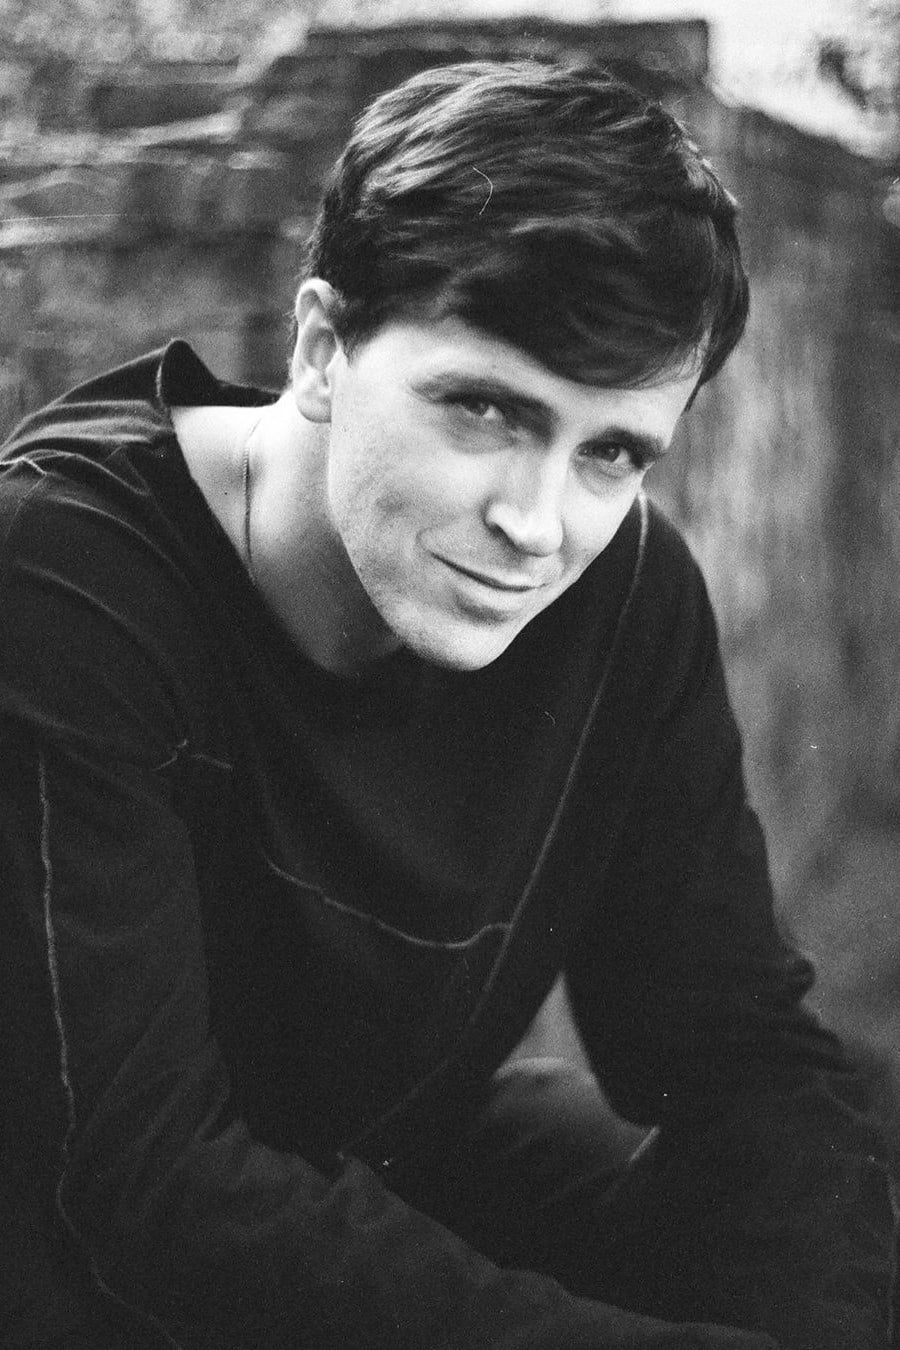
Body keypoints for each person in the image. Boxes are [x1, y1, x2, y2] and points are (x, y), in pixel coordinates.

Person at [0, 58, 894, 1350]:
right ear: (321, 349)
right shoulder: (62, 573)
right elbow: (141, 1182)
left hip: (386, 1157)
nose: (538, 522)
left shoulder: (624, 587)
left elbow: (732, 1046)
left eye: (611, 451)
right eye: (484, 408)